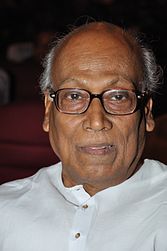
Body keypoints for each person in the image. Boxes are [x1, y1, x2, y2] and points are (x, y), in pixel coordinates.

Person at [0, 21, 167, 251]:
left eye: (118, 97)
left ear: (146, 113)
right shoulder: (5, 209)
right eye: (74, 96)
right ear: (49, 112)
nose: (96, 121)